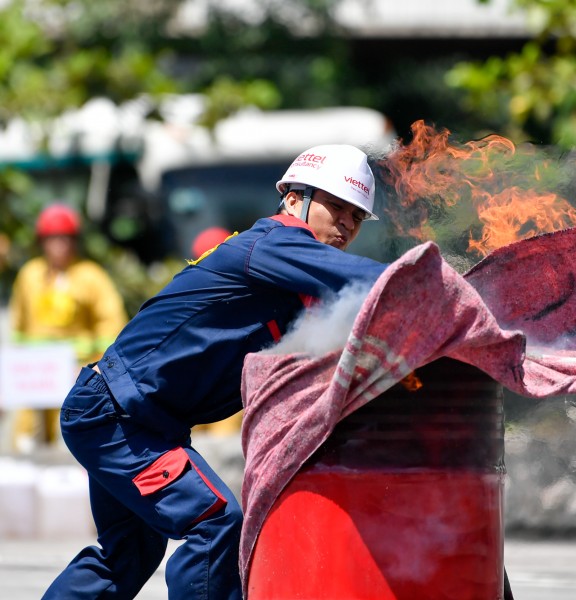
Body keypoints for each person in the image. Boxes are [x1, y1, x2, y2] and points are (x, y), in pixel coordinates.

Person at [43, 144, 388, 600]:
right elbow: (364, 280)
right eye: (336, 207)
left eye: (357, 216)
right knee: (215, 522)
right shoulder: (276, 242)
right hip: (118, 417)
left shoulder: (290, 277)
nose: (346, 224)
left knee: (128, 554)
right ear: (293, 198)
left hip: (131, 418)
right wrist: (438, 282)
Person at [8, 203, 127, 452]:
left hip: (76, 379)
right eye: (52, 238)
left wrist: (95, 367)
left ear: (75, 240)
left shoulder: (91, 276)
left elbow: (112, 327)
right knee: (26, 445)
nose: (59, 244)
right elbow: (17, 328)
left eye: (65, 238)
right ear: (41, 241)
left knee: (72, 446)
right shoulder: (30, 275)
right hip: (35, 381)